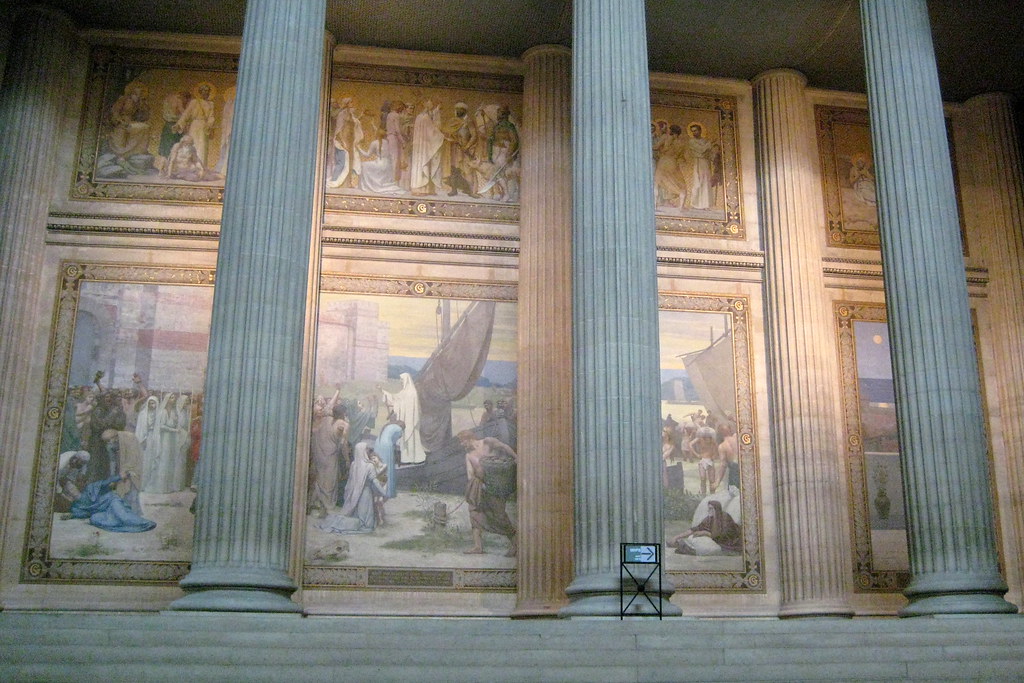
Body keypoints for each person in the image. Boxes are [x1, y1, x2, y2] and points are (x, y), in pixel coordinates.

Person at [458, 430, 517, 556]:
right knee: (474, 513)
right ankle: (477, 546)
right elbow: (470, 475)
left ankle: (516, 544)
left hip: (496, 487)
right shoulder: (468, 455)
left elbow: (504, 447)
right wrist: (476, 486)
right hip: (481, 488)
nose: (462, 444)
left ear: (469, 438)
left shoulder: (487, 442)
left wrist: (516, 458)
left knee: (500, 516)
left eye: (462, 441)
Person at [316, 442, 387, 535]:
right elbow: (375, 482)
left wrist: (350, 495)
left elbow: (350, 482)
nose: (368, 451)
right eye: (366, 449)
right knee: (366, 523)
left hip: (354, 494)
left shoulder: (354, 464)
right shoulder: (369, 465)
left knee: (358, 516)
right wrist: (384, 492)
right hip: (366, 494)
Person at [63, 472, 156, 533]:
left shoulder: (91, 487)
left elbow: (106, 482)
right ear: (68, 494)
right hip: (104, 511)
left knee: (123, 517)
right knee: (94, 519)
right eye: (69, 490)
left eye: (72, 487)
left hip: (111, 501)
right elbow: (84, 513)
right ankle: (126, 527)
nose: (72, 490)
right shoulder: (76, 506)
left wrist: (120, 476)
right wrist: (71, 515)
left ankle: (146, 523)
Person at [307, 389, 348, 518]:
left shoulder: (327, 419)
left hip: (325, 454)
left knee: (326, 480)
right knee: (320, 480)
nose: (321, 407)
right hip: (318, 455)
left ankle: (322, 506)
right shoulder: (312, 421)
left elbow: (330, 406)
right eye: (318, 404)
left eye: (322, 404)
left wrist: (337, 391)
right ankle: (320, 505)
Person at [380, 373, 426, 464]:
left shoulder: (411, 392)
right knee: (406, 440)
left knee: (412, 440)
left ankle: (415, 458)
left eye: (402, 380)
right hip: (406, 419)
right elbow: (395, 398)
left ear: (406, 380)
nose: (401, 382)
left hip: (411, 420)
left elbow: (404, 404)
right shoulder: (404, 392)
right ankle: (407, 459)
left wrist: (397, 405)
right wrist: (382, 391)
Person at [670, 499, 741, 556]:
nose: (708, 510)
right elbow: (695, 529)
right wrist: (677, 537)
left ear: (716, 509)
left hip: (730, 544)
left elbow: (725, 535)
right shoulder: (709, 519)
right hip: (717, 542)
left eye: (711, 508)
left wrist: (706, 533)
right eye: (708, 508)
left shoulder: (725, 517)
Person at [174, 82, 216, 167]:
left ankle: (201, 166)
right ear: (200, 92)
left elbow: (211, 117)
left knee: (202, 146)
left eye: (207, 91)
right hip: (194, 125)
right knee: (192, 144)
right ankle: (190, 166)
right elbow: (186, 114)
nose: (206, 93)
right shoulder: (194, 102)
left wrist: (209, 124)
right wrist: (179, 124)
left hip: (204, 127)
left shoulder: (211, 104)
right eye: (204, 91)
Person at [410, 99, 444, 195]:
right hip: (424, 146)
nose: (432, 104)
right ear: (426, 105)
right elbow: (433, 130)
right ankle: (422, 189)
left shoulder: (419, 117)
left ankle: (423, 189)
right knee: (424, 164)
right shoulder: (425, 117)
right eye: (430, 103)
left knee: (420, 165)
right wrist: (442, 136)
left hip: (420, 146)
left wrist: (436, 111)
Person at [683, 122, 715, 209]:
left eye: (695, 130)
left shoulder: (705, 141)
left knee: (706, 182)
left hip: (706, 163)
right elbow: (701, 150)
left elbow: (709, 153)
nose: (694, 132)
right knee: (698, 182)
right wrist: (709, 144)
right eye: (692, 131)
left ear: (700, 131)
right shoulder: (692, 141)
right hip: (698, 162)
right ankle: (695, 204)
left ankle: (706, 204)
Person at [373, 414, 404, 500]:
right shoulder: (399, 429)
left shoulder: (388, 426)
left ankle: (377, 489)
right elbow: (395, 443)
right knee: (387, 467)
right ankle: (388, 491)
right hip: (387, 446)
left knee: (378, 466)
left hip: (378, 444)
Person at [691, 425, 719, 496]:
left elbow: (717, 448)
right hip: (702, 460)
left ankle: (712, 495)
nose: (706, 433)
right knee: (702, 478)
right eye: (705, 431)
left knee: (712, 480)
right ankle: (703, 495)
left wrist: (715, 455)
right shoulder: (700, 439)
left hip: (710, 460)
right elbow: (690, 444)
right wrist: (696, 454)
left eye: (708, 432)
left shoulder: (712, 440)